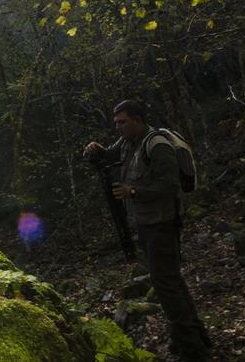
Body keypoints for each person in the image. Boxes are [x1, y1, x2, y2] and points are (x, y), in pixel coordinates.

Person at [84, 100, 212, 362]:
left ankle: (193, 352)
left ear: (138, 120)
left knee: (166, 286)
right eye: (116, 122)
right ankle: (195, 339)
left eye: (122, 122)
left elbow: (169, 185)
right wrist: (96, 149)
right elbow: (109, 156)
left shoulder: (157, 145)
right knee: (171, 281)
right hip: (147, 224)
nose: (117, 127)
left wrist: (133, 191)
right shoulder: (129, 142)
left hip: (162, 224)